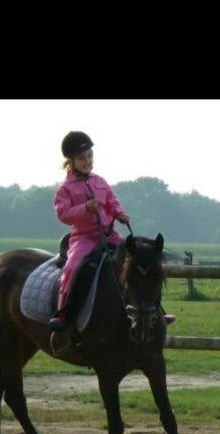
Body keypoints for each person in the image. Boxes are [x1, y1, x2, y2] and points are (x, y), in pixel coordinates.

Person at [49, 131, 175, 331]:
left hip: (110, 235)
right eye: (82, 158)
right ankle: (63, 311)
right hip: (84, 238)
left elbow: (111, 202)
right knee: (72, 266)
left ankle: (156, 311)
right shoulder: (65, 188)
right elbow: (63, 214)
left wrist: (120, 214)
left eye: (90, 156)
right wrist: (85, 208)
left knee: (138, 262)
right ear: (71, 161)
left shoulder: (100, 181)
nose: (87, 161)